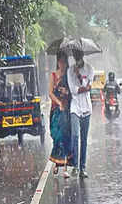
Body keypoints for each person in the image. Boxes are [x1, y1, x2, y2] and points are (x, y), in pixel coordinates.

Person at [67, 50, 94, 178]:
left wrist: (79, 77)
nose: (77, 58)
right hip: (75, 108)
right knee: (75, 136)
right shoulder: (69, 70)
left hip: (87, 108)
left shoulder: (89, 69)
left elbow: (89, 87)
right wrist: (84, 87)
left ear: (82, 55)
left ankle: (83, 168)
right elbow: (74, 90)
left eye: (78, 55)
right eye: (75, 56)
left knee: (84, 139)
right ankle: (76, 167)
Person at [48, 52, 71, 178]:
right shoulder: (53, 76)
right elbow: (50, 93)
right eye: (61, 62)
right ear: (58, 62)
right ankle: (57, 163)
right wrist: (58, 103)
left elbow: (71, 91)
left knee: (64, 137)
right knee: (56, 137)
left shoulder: (68, 76)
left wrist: (66, 92)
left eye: (64, 62)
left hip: (66, 111)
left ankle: (65, 167)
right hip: (56, 110)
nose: (62, 64)